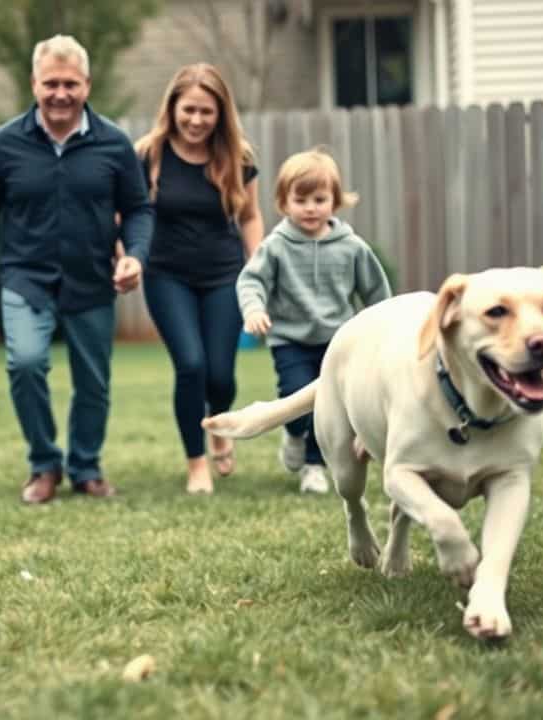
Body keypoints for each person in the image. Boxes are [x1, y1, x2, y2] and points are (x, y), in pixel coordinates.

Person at [0, 34, 154, 505]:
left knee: (94, 381)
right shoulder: (5, 144)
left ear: (87, 85)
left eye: (70, 83)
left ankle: (85, 467)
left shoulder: (113, 144)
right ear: (34, 83)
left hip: (92, 280)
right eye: (51, 83)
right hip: (26, 278)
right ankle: (44, 464)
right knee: (25, 362)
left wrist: (136, 255)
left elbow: (139, 209)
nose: (60, 94)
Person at [133, 63, 264, 495]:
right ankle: (196, 464)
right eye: (188, 110)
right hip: (166, 275)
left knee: (221, 376)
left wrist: (258, 267)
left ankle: (219, 428)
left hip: (224, 274)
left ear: (220, 113)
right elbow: (129, 214)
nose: (196, 120)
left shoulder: (238, 156)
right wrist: (126, 255)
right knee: (191, 366)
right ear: (172, 108)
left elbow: (249, 216)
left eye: (206, 112)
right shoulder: (149, 153)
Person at [236, 149, 392, 493]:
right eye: (300, 199)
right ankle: (292, 432)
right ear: (284, 202)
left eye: (319, 199)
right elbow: (251, 280)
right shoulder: (276, 246)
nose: (310, 207)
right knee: (295, 397)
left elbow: (376, 292)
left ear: (334, 201)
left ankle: (313, 465)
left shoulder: (351, 247)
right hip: (290, 340)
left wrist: (384, 333)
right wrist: (254, 310)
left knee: (329, 410)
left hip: (338, 343)